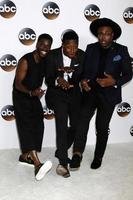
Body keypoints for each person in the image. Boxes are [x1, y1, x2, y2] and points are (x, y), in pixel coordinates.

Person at [70, 18, 132, 170]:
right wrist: (82, 81)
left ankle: (98, 156)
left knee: (102, 127)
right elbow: (83, 71)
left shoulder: (121, 50)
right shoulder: (91, 48)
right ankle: (77, 154)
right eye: (100, 34)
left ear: (113, 36)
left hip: (108, 95)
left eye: (107, 34)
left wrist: (114, 81)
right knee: (81, 122)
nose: (103, 37)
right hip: (90, 92)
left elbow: (129, 74)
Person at [12, 33, 53, 181]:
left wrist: (37, 92)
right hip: (21, 95)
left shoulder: (45, 60)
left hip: (33, 96)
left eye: (48, 46)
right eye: (42, 44)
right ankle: (37, 164)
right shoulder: (25, 60)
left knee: (38, 125)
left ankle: (24, 157)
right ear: (37, 44)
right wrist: (30, 92)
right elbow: (18, 84)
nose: (45, 48)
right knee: (27, 126)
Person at [45, 30, 85, 177]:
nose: (73, 50)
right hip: (57, 95)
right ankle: (62, 162)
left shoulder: (82, 55)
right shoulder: (52, 56)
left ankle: (61, 149)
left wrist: (81, 80)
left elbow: (83, 76)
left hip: (74, 94)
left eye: (75, 47)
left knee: (76, 125)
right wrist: (58, 80)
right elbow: (48, 79)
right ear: (63, 45)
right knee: (61, 126)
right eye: (69, 47)